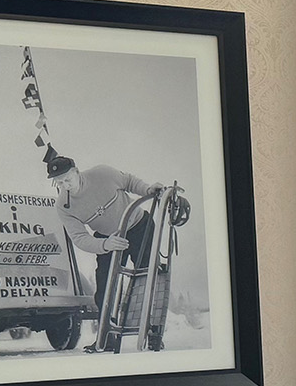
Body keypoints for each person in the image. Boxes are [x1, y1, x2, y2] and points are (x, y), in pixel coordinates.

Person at [44, 149, 189, 347]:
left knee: (148, 278)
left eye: (67, 179)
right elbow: (79, 237)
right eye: (59, 183)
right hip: (108, 239)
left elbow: (129, 181)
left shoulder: (101, 174)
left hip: (138, 226)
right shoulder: (63, 206)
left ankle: (153, 334)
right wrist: (105, 244)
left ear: (76, 171)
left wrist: (147, 189)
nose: (65, 186)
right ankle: (107, 338)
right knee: (104, 288)